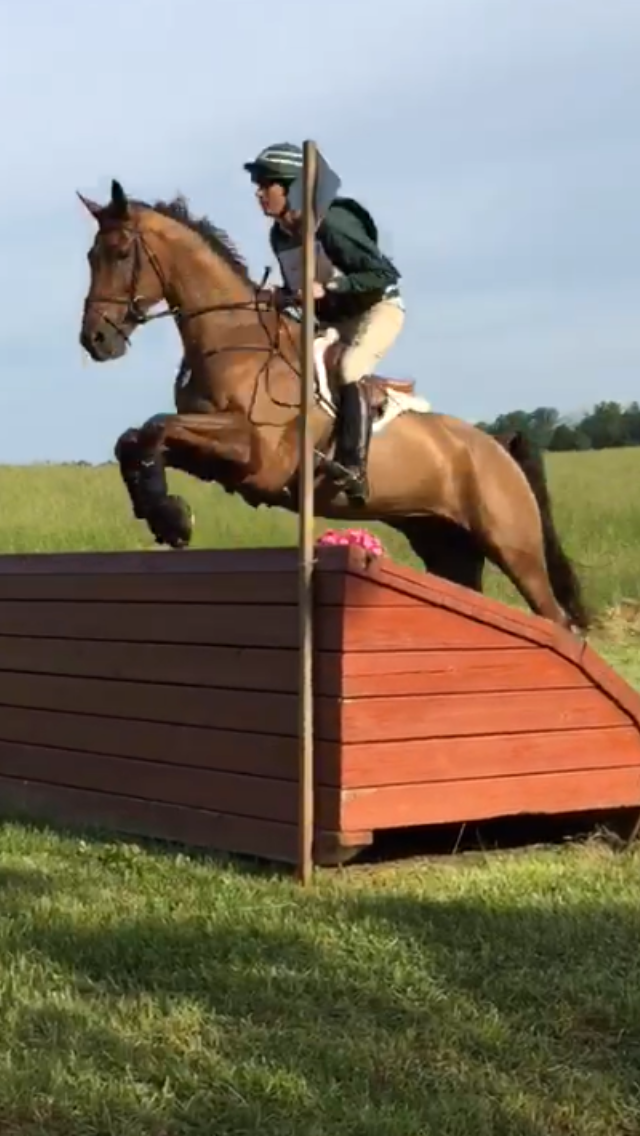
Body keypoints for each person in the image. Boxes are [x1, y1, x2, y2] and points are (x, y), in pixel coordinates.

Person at [243, 141, 405, 503]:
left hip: (375, 310)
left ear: (292, 188)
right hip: (331, 320)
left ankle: (354, 467)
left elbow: (383, 273)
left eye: (266, 184)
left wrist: (331, 287)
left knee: (349, 368)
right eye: (258, 185)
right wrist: (280, 296)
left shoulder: (333, 223)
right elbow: (301, 288)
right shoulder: (279, 235)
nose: (259, 193)